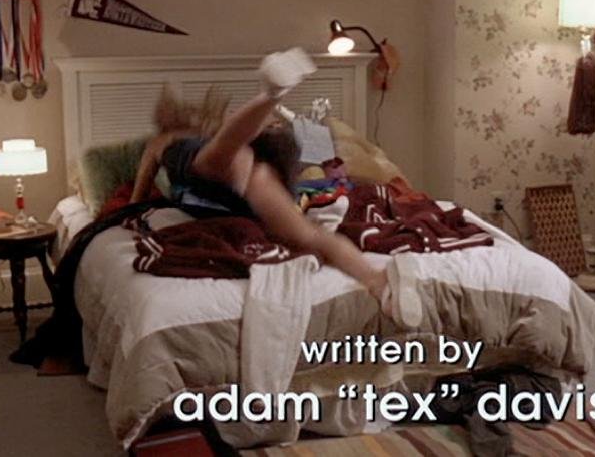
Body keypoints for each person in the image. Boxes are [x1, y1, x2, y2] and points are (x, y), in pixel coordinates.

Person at [130, 54, 420, 327]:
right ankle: (378, 282)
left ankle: (272, 94)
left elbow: (138, 196)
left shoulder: (164, 141)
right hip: (255, 175)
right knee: (309, 235)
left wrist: (132, 214)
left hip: (220, 175)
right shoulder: (222, 138)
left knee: (216, 156)